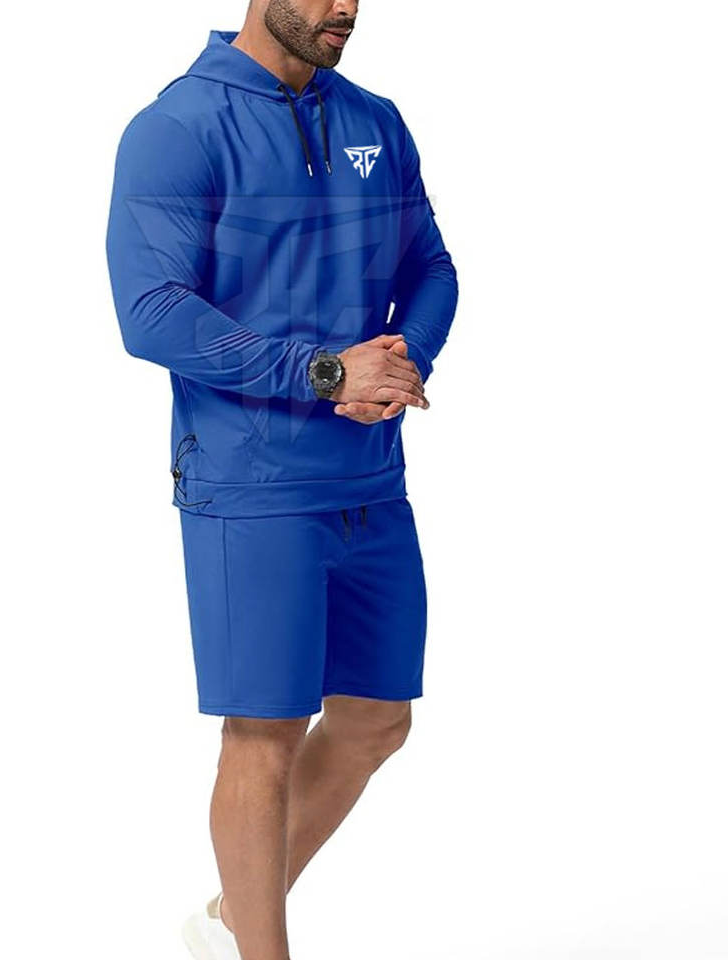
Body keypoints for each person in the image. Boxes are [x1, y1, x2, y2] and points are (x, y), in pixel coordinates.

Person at [105, 2, 458, 957]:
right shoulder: (177, 127)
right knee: (264, 732)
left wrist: (399, 366)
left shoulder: (375, 119)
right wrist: (328, 373)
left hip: (369, 475)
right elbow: (150, 311)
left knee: (378, 719)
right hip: (248, 481)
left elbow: (431, 267)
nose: (347, 7)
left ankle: (230, 921)